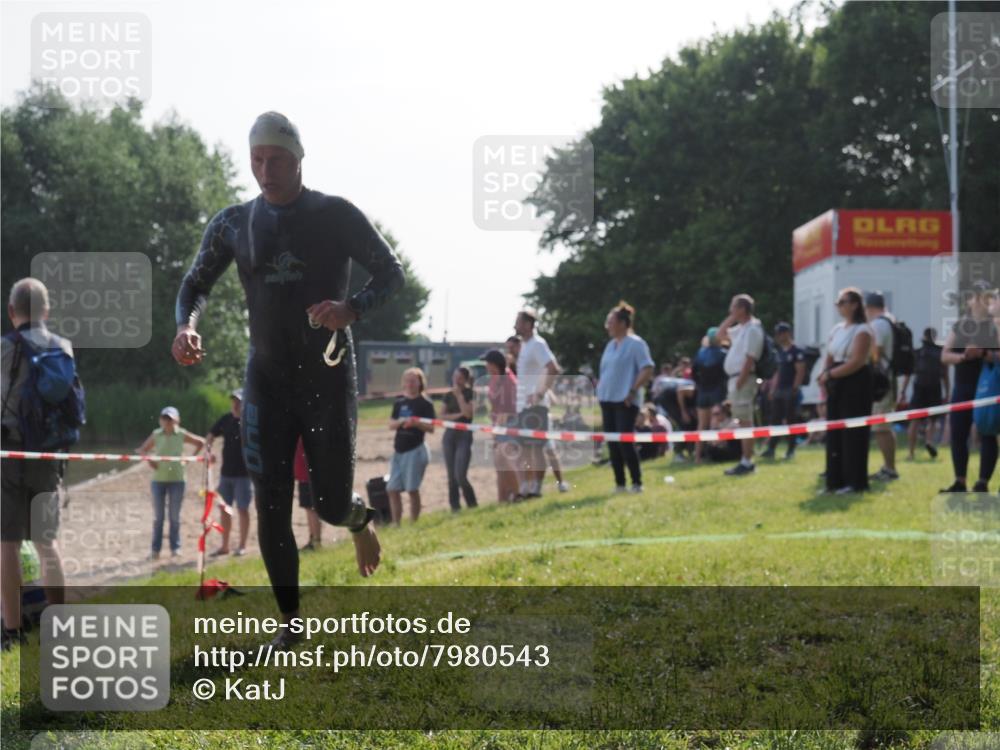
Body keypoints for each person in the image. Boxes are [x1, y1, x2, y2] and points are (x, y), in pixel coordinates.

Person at [173, 111, 403, 643]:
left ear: (299, 160)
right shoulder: (233, 223)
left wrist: (353, 308)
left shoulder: (335, 214)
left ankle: (358, 519)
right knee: (272, 502)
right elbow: (194, 283)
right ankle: (291, 625)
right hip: (267, 381)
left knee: (328, 501)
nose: (265, 169)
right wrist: (185, 328)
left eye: (276, 159)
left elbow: (392, 273)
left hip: (327, 377)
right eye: (257, 159)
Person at [1, 278, 70, 650]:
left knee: (7, 543)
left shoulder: (3, 349)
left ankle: (11, 632)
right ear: (47, 311)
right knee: (46, 542)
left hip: (9, 455)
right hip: (47, 455)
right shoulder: (62, 348)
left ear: (12, 311)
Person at [940, 281, 1000, 493]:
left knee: (987, 432)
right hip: (963, 387)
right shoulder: (961, 325)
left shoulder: (995, 325)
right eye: (977, 296)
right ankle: (960, 481)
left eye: (985, 296)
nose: (981, 300)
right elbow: (945, 355)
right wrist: (963, 356)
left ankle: (982, 482)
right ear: (969, 300)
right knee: (958, 433)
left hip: (987, 388)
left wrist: (984, 354)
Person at [817, 288, 874, 494]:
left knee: (853, 433)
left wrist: (831, 375)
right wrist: (825, 374)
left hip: (856, 384)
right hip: (836, 383)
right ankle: (834, 481)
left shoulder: (863, 330)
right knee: (834, 432)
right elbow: (830, 356)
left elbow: (857, 361)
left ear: (854, 305)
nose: (839, 306)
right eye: (838, 302)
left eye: (843, 302)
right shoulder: (837, 329)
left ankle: (855, 482)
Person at [596, 301, 655, 493]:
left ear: (622, 323)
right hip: (607, 400)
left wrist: (632, 390)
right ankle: (619, 483)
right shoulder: (610, 346)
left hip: (625, 401)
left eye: (610, 321)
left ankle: (636, 482)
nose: (608, 326)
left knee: (625, 442)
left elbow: (647, 368)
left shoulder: (636, 344)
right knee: (612, 444)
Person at [136, 407, 207, 558]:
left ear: (177, 420)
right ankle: (156, 550)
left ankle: (175, 548)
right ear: (160, 420)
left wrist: (190, 459)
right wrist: (150, 462)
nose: (167, 422)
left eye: (170, 419)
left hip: (178, 480)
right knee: (158, 518)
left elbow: (201, 442)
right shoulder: (156, 434)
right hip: (158, 480)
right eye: (165, 418)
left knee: (174, 517)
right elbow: (142, 450)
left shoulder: (181, 434)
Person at [508, 334, 568, 493]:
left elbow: (548, 372)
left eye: (513, 347)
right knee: (531, 448)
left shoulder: (533, 353)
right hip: (524, 409)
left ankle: (558, 482)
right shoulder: (518, 363)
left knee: (547, 448)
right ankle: (532, 485)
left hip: (538, 409)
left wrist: (542, 394)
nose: (510, 351)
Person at [513, 309, 561, 498]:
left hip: (536, 406)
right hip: (523, 406)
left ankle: (536, 488)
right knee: (525, 447)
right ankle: (526, 487)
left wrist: (539, 393)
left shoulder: (537, 344)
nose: (515, 325)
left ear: (527, 324)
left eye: (518, 321)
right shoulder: (525, 345)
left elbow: (553, 368)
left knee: (537, 448)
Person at [719, 294, 765, 476]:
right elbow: (721, 335)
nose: (730, 311)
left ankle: (747, 461)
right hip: (735, 379)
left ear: (743, 309)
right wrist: (731, 318)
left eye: (734, 307)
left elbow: (750, 357)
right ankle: (744, 459)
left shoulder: (753, 329)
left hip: (743, 379)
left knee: (745, 421)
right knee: (742, 420)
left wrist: (741, 380)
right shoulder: (741, 329)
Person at [206, 388, 252, 557]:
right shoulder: (226, 419)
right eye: (234, 401)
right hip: (226, 474)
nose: (235, 404)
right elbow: (211, 435)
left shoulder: (250, 421)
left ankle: (242, 545)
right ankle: (224, 546)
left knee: (242, 509)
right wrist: (209, 452)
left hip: (245, 475)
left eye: (239, 401)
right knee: (224, 509)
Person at [387, 368, 435, 523]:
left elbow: (431, 428)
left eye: (413, 381)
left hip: (415, 450)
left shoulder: (425, 403)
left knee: (412, 489)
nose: (410, 384)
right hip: (398, 451)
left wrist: (417, 423)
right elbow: (391, 424)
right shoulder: (399, 402)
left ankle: (414, 522)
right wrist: (401, 421)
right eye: (407, 380)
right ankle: (396, 523)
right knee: (392, 489)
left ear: (420, 383)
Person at [865, 292, 899, 482]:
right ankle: (889, 466)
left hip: (882, 381)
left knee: (880, 427)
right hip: (890, 378)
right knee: (884, 425)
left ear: (869, 308)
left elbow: (875, 353)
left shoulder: (878, 324)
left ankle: (890, 468)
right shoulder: (890, 321)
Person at [761, 322, 806, 460]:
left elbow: (800, 370)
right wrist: (773, 388)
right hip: (779, 390)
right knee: (775, 420)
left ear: (787, 333)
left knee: (791, 421)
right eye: (777, 334)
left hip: (790, 390)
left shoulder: (796, 351)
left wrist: (795, 388)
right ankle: (771, 449)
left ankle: (791, 449)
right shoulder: (780, 352)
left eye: (781, 333)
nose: (779, 337)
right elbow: (778, 372)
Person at [906, 328, 947, 461]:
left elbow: (908, 374)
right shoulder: (940, 352)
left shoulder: (918, 352)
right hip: (935, 387)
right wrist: (948, 391)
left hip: (919, 387)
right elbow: (945, 375)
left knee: (915, 420)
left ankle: (911, 453)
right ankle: (929, 441)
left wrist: (902, 392)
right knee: (933, 420)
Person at [484, 349, 520, 503]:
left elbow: (509, 409)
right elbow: (494, 406)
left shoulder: (508, 380)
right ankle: (503, 498)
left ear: (494, 364)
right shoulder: (494, 379)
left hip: (510, 424)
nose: (486, 366)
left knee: (505, 460)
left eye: (488, 363)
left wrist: (497, 427)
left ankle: (518, 493)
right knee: (500, 464)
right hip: (499, 425)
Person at [440, 366, 478, 512]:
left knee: (460, 475)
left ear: (466, 379)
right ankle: (455, 507)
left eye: (460, 378)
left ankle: (472, 504)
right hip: (449, 435)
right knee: (451, 476)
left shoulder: (471, 394)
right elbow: (441, 416)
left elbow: (468, 414)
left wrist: (460, 397)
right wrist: (456, 417)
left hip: (464, 435)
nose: (456, 380)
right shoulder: (448, 395)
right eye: (455, 377)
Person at [691, 327, 727, 463]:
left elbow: (694, 373)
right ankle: (715, 452)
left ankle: (698, 456)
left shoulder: (700, 353)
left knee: (701, 425)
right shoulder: (723, 353)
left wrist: (700, 385)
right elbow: (726, 373)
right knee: (716, 423)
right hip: (717, 391)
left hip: (703, 392)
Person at [293, 436, 322, 551]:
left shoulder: (304, 435)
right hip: (304, 476)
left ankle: (316, 541)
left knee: (312, 509)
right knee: (308, 509)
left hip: (308, 477)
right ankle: (312, 538)